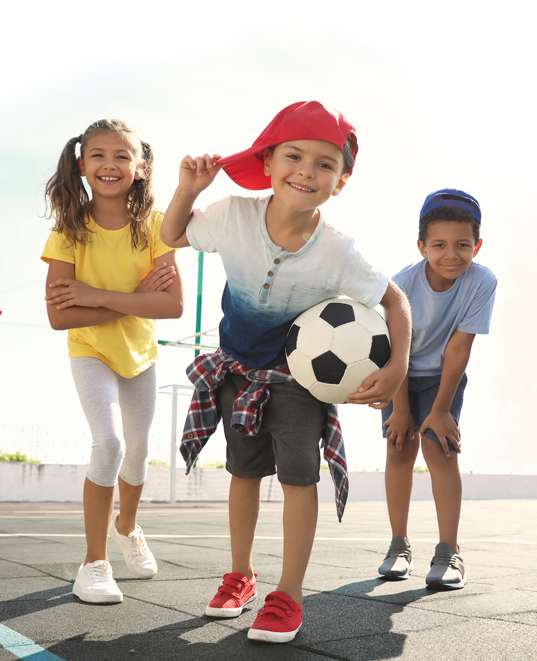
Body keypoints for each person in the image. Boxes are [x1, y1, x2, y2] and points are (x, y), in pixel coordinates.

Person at [160, 101, 412, 643]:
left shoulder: (338, 252)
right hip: (235, 374)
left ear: (341, 182)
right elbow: (172, 235)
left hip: (298, 383)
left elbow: (396, 301)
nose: (306, 171)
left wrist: (396, 366)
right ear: (268, 162)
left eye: (325, 164)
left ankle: (289, 594)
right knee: (243, 474)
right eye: (294, 156)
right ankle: (241, 576)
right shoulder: (232, 215)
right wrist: (187, 190)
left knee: (299, 480)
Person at [41, 119, 184, 604]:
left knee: (138, 451)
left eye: (122, 156)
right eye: (99, 155)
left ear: (140, 167)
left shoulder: (155, 226)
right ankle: (94, 564)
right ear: (82, 164)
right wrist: (134, 297)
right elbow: (60, 316)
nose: (110, 164)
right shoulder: (69, 230)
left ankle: (127, 526)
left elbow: (171, 305)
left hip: (139, 353)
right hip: (90, 350)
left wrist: (96, 295)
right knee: (110, 444)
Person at [377, 189, 497, 590]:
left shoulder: (482, 281)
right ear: (422, 246)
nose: (451, 254)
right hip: (399, 371)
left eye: (463, 245)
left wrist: (440, 410)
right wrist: (401, 410)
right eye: (439, 245)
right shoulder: (400, 285)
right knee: (399, 448)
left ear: (477, 245)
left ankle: (449, 551)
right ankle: (398, 546)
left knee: (438, 448)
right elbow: (394, 350)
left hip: (443, 375)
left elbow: (459, 347)